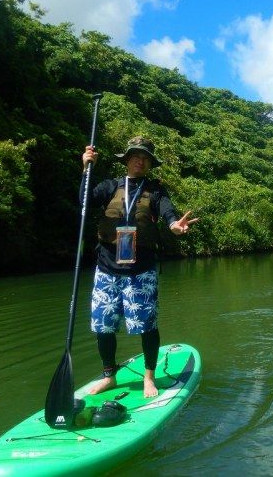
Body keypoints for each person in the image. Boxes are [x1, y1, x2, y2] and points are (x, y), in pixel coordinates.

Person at [81, 136, 197, 397]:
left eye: (145, 157)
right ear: (127, 159)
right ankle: (109, 375)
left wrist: (174, 225)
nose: (140, 160)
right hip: (106, 268)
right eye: (135, 155)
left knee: (147, 325)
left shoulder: (155, 190)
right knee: (103, 326)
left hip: (140, 270)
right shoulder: (111, 186)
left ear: (149, 163)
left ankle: (149, 377)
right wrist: (86, 169)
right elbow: (85, 202)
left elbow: (168, 213)